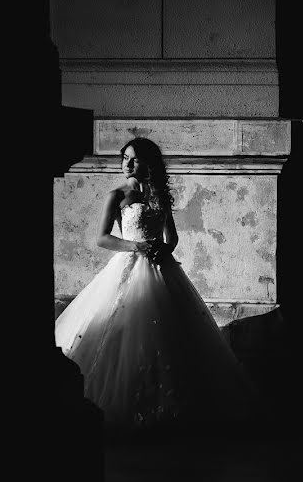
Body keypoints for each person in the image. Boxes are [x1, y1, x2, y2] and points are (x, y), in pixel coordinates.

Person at [54, 137, 260, 433]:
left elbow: (171, 238)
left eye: (134, 159)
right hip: (128, 266)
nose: (128, 164)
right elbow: (102, 238)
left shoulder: (158, 196)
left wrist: (163, 250)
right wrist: (136, 246)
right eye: (125, 157)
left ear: (148, 162)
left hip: (161, 268)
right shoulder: (117, 195)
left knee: (172, 332)